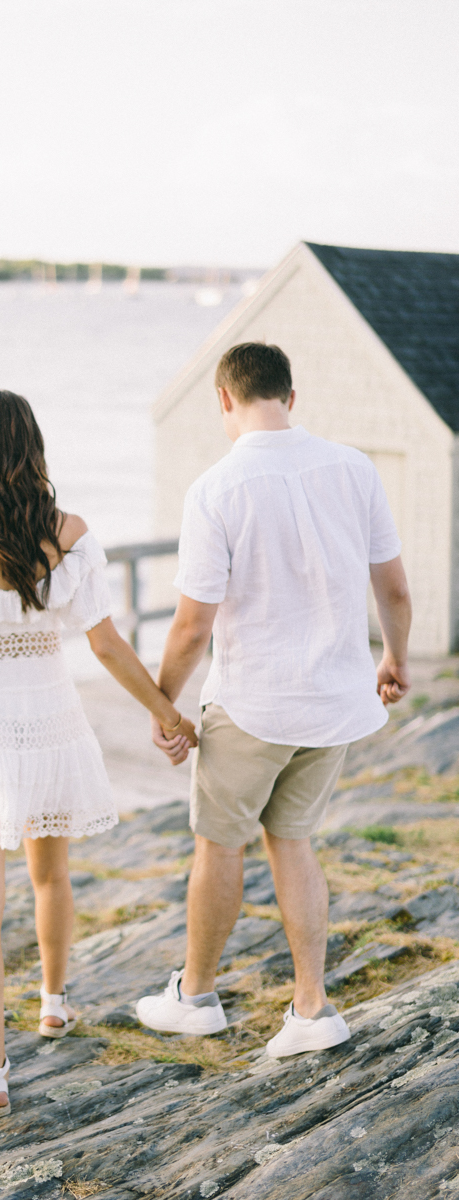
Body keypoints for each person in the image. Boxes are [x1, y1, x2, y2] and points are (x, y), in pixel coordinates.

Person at [0, 389, 197, 1117]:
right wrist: (166, 712)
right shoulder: (68, 531)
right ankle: (54, 1003)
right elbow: (104, 642)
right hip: (50, 718)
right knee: (51, 875)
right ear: (33, 447)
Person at [136, 343, 412, 1057]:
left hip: (253, 705)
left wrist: (165, 706)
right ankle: (312, 1008)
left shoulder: (217, 489)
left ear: (224, 400)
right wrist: (395, 659)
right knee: (293, 840)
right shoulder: (355, 468)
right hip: (334, 702)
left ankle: (195, 996)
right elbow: (395, 588)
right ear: (292, 395)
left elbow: (193, 624)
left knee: (220, 842)